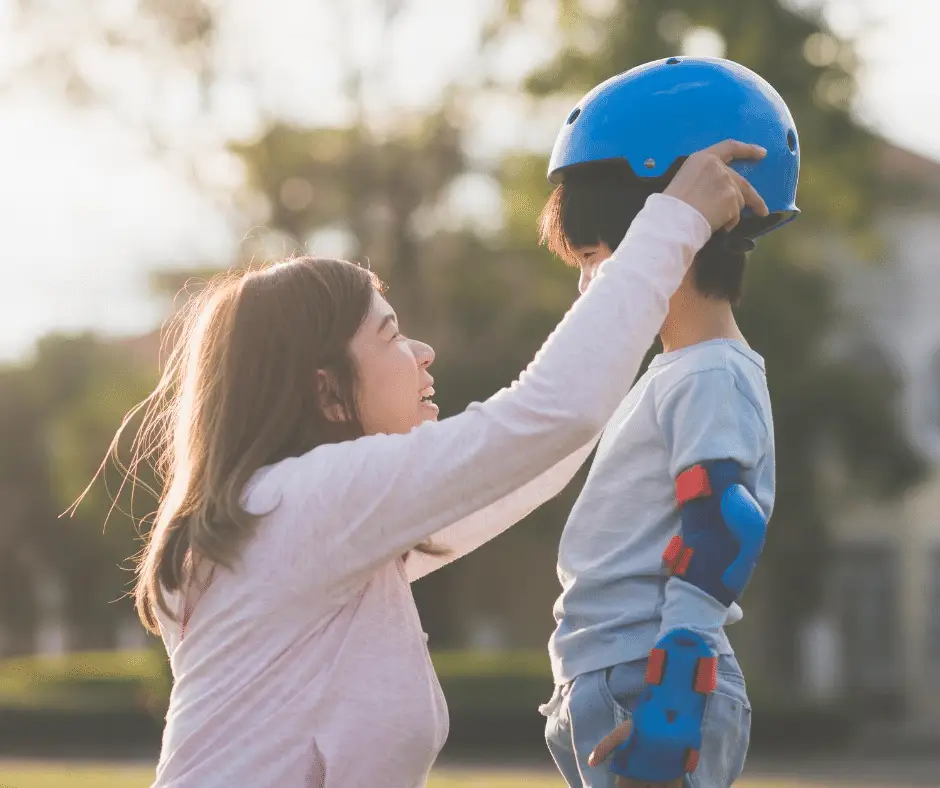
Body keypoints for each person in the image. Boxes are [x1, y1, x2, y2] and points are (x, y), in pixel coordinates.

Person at [88, 141, 766, 788]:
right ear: (325, 389)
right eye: (388, 334)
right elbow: (546, 419)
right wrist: (672, 222)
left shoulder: (313, 531)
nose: (423, 351)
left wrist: (618, 284)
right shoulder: (307, 505)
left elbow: (534, 456)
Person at [536, 57, 801, 788]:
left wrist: (673, 704)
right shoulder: (679, 371)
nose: (589, 285)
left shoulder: (711, 373)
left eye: (595, 258)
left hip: (651, 683)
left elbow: (722, 529)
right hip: (614, 676)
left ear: (676, 234)